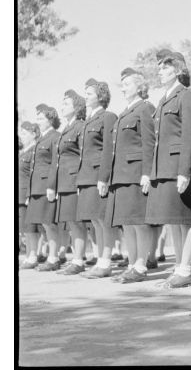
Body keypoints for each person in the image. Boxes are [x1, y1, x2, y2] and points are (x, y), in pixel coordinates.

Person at [145, 50, 191, 288]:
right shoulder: (164, 98)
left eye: (166, 67)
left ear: (178, 70)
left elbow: (190, 134)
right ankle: (180, 266)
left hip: (177, 166)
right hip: (164, 167)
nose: (161, 71)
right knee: (174, 221)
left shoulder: (185, 95)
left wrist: (184, 169)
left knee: (185, 220)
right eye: (159, 68)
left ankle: (186, 268)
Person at [104, 68, 156, 283]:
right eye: (122, 84)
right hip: (121, 175)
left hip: (136, 173)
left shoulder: (144, 108)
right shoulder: (125, 111)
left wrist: (147, 173)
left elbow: (149, 142)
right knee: (127, 223)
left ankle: (141, 265)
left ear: (139, 86)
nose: (123, 87)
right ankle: (132, 264)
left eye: (127, 83)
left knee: (140, 223)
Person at [75, 79, 118, 278]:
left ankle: (106, 262)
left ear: (101, 96)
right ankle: (100, 260)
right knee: (95, 220)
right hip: (85, 176)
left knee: (103, 220)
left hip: (97, 176)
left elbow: (108, 149)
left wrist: (104, 177)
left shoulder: (108, 117)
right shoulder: (87, 121)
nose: (86, 96)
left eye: (90, 93)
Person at [52, 90, 87, 275]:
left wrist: (80, 181)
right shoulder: (67, 127)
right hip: (65, 181)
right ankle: (76, 259)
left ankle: (79, 260)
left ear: (76, 107)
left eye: (66, 103)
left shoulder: (80, 126)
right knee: (71, 223)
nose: (62, 106)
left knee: (77, 222)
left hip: (74, 180)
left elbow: (83, 155)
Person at [24, 104, 62, 271]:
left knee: (49, 223)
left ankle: (53, 258)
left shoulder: (55, 136)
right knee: (43, 224)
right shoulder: (40, 139)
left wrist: (52, 186)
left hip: (46, 186)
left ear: (50, 119)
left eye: (40, 118)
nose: (37, 121)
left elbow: (55, 163)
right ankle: (50, 257)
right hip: (36, 187)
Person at [18, 122, 40, 268]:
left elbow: (34, 174)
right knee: (24, 229)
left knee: (30, 228)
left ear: (33, 135)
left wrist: (28, 194)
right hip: (19, 194)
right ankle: (28, 255)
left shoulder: (34, 150)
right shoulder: (23, 151)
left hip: (27, 194)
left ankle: (33, 256)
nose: (22, 136)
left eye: (25, 133)